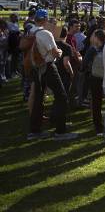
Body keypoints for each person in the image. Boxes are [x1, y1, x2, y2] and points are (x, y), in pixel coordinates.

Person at [27, 10, 79, 140]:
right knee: (62, 96)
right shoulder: (45, 33)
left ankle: (35, 131)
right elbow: (55, 53)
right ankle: (60, 132)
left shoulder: (31, 31)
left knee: (38, 99)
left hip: (36, 67)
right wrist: (60, 51)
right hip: (48, 67)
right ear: (45, 20)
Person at [82, 29, 105, 136]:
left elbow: (84, 64)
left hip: (95, 78)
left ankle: (98, 127)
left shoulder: (93, 49)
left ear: (96, 38)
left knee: (96, 103)